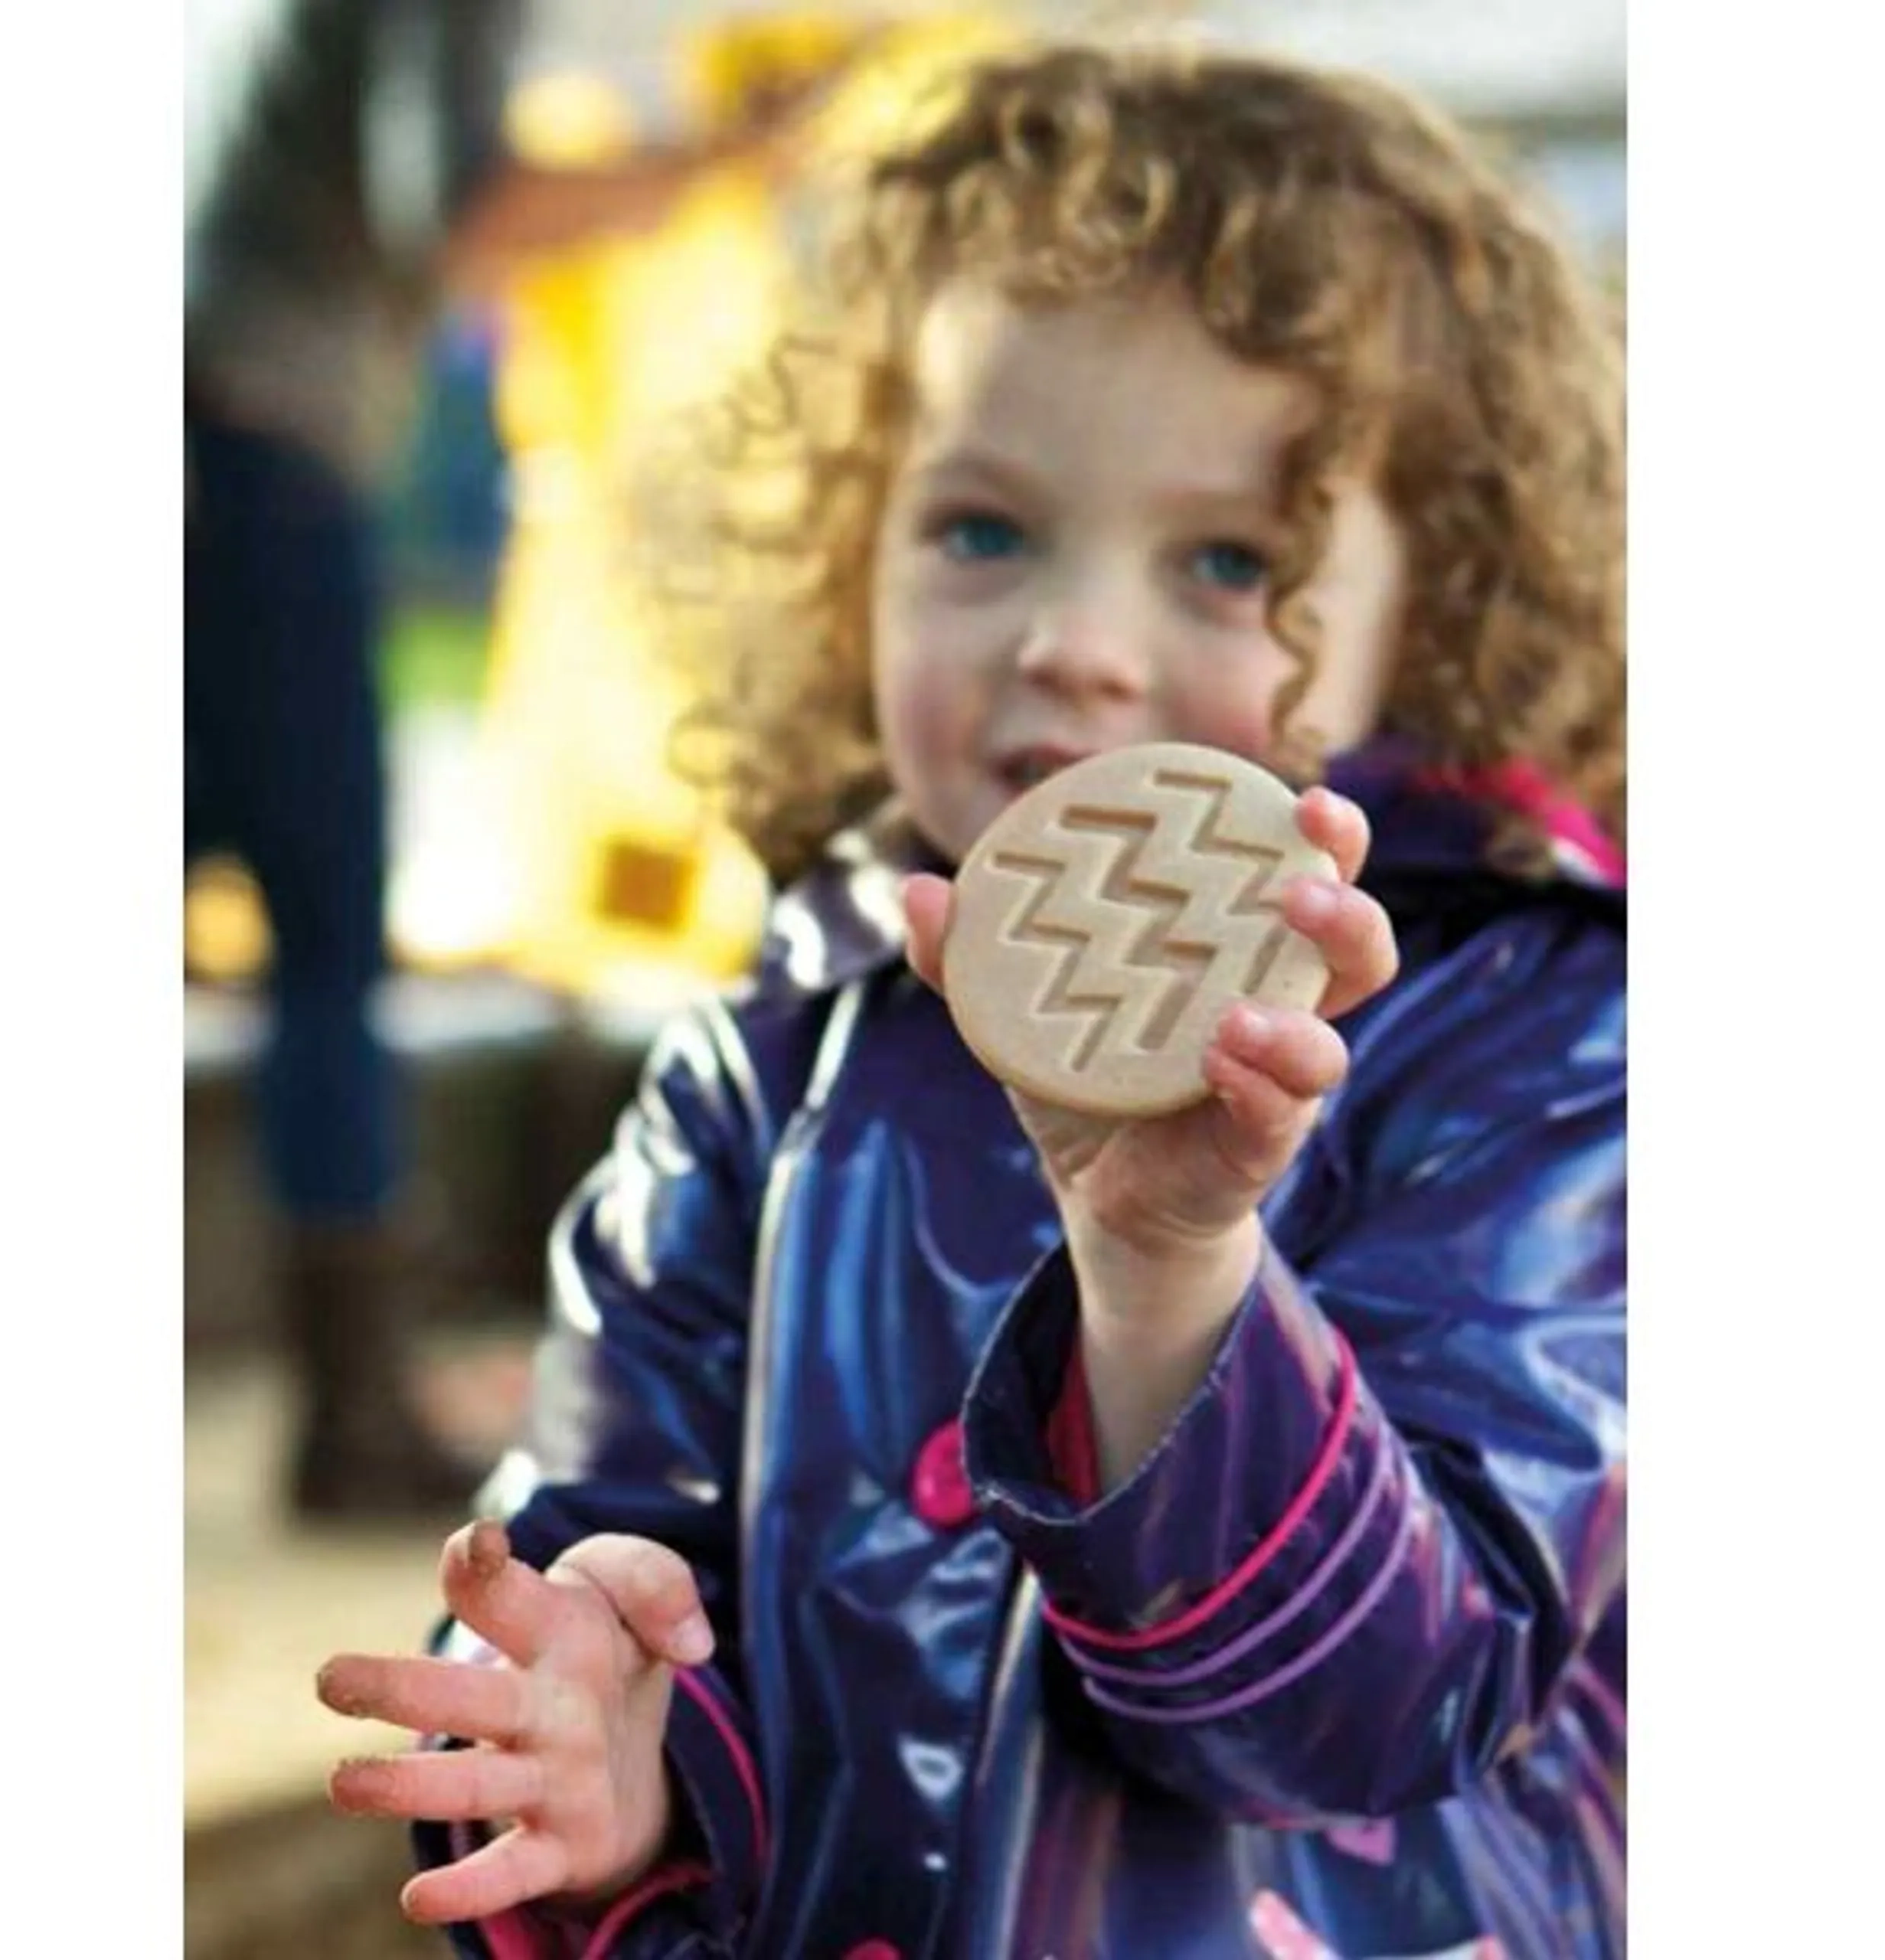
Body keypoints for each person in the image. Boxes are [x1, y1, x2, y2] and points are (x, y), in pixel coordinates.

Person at [316, 36, 1626, 1958]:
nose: (1072, 644)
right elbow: (612, 1536)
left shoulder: (1538, 1040)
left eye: (1226, 562)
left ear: (1431, 609)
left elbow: (1378, 1703)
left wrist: (1175, 1264)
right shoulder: (761, 1065)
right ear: (849, 543)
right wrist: (605, 1735)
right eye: (980, 526)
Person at [185, 0, 841, 1520]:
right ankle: (351, 1416)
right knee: (327, 918)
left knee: (284, 894)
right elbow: (471, 217)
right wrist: (725, 158)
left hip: (252, 431)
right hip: (258, 439)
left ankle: (352, 1402)